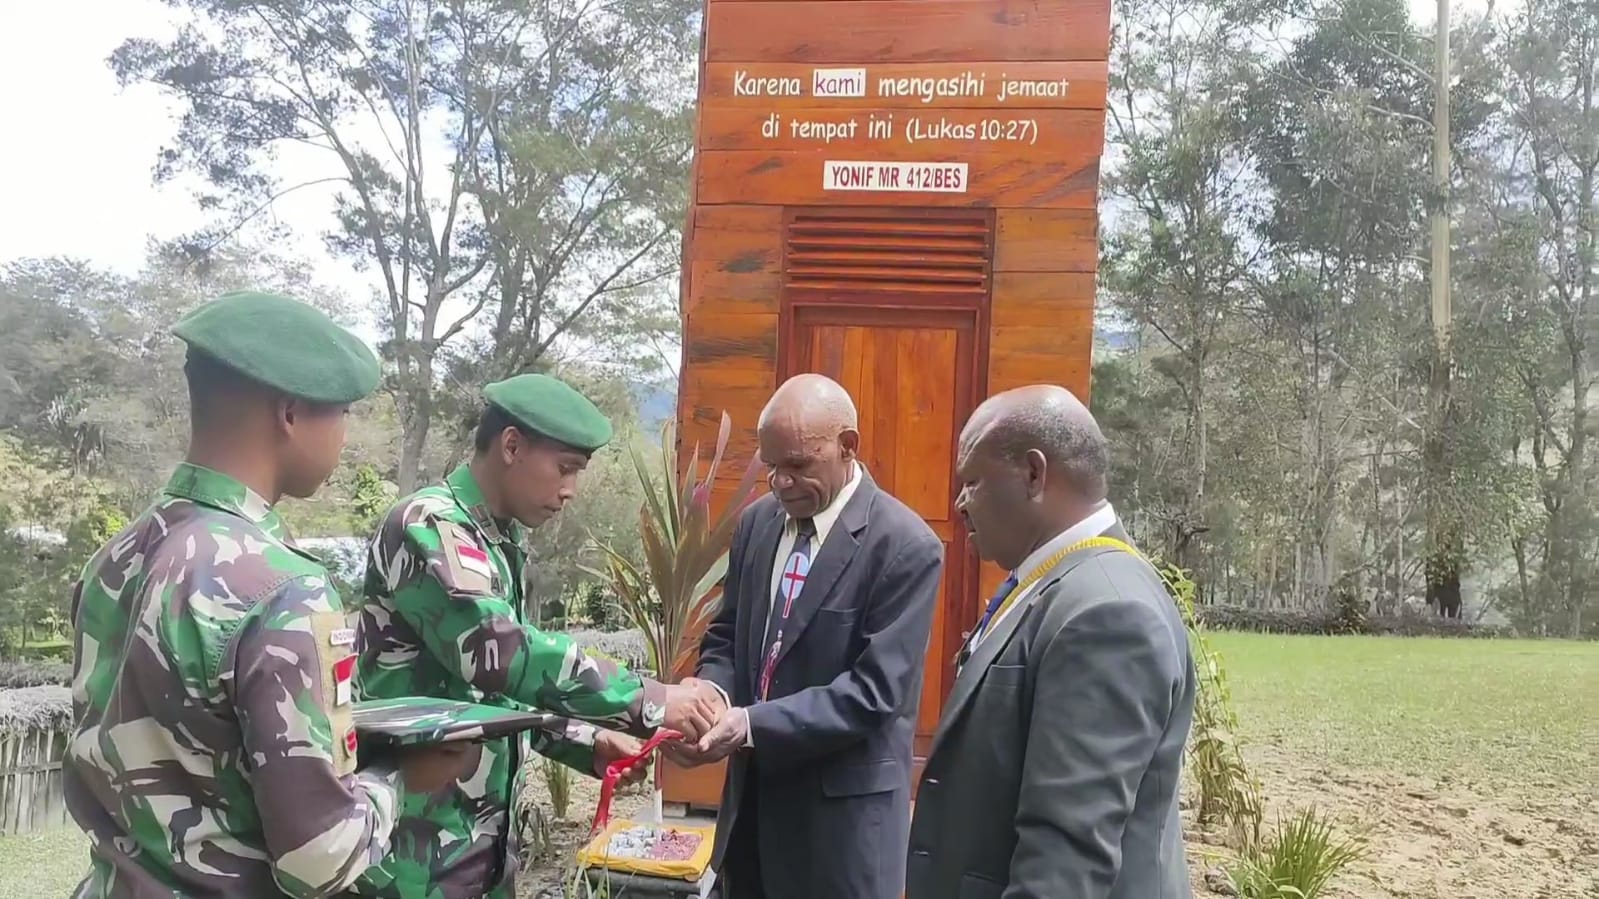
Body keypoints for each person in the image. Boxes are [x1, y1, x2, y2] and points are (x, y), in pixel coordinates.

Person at [63, 290, 474, 898]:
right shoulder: (284, 589)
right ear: (290, 413)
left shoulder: (115, 558)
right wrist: (403, 779)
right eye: (341, 413)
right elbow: (319, 859)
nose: (345, 435)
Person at [350, 372, 719, 899]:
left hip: (480, 842)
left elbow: (496, 696)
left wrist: (585, 743)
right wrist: (650, 701)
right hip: (414, 849)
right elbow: (499, 654)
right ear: (512, 445)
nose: (570, 491)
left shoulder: (499, 540)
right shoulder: (429, 525)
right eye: (564, 469)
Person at [905, 384, 1197, 899]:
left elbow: (1064, 865)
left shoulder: (1108, 614)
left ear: (1034, 474)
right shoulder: (1054, 584)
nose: (959, 503)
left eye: (972, 481)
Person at [670, 373, 944, 899]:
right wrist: (711, 696)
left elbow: (874, 694)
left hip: (839, 841)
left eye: (798, 466)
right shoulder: (757, 525)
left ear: (848, 447)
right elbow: (728, 635)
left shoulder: (905, 547)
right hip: (750, 825)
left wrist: (748, 724)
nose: (781, 484)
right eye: (772, 468)